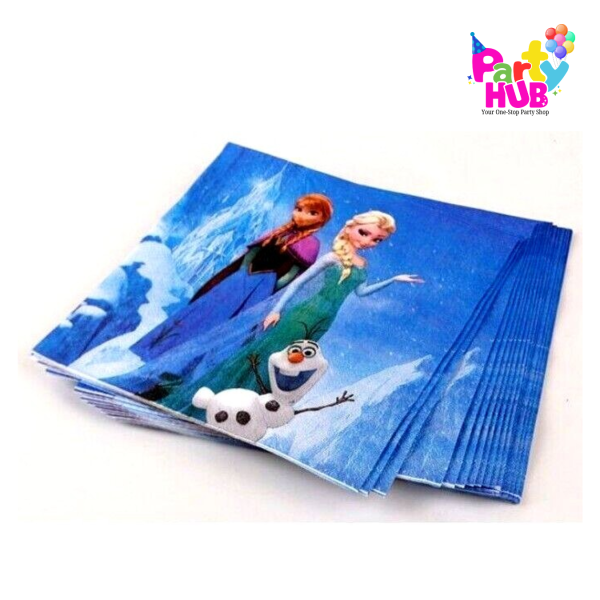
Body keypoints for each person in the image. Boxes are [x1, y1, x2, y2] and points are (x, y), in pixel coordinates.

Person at [159, 210, 424, 418]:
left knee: (289, 362)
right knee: (265, 354)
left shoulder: (363, 265)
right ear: (350, 228)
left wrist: (394, 280)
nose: (368, 241)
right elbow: (297, 284)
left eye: (376, 239)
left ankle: (253, 407)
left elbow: (362, 293)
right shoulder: (332, 258)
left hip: (323, 321)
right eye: (364, 233)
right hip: (302, 314)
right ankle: (226, 400)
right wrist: (276, 310)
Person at [130, 193, 334, 364]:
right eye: (298, 209)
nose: (301, 215)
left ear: (321, 219)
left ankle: (184, 366)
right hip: (238, 280)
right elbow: (251, 254)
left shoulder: (311, 244)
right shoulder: (278, 232)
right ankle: (160, 351)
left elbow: (292, 274)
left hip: (262, 288)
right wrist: (243, 273)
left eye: (311, 212)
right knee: (204, 313)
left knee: (228, 327)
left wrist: (270, 285)